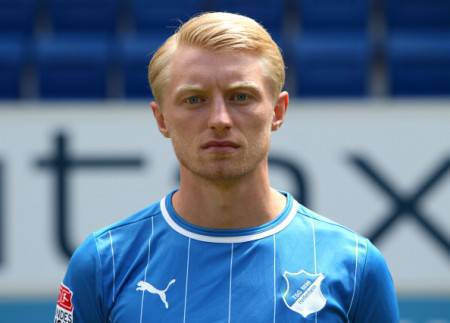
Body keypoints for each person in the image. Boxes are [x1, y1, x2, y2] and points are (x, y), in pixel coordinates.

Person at [54, 12, 399, 323]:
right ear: (161, 119)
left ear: (277, 112)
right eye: (194, 100)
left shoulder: (355, 265)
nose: (219, 119)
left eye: (240, 97)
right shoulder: (104, 262)